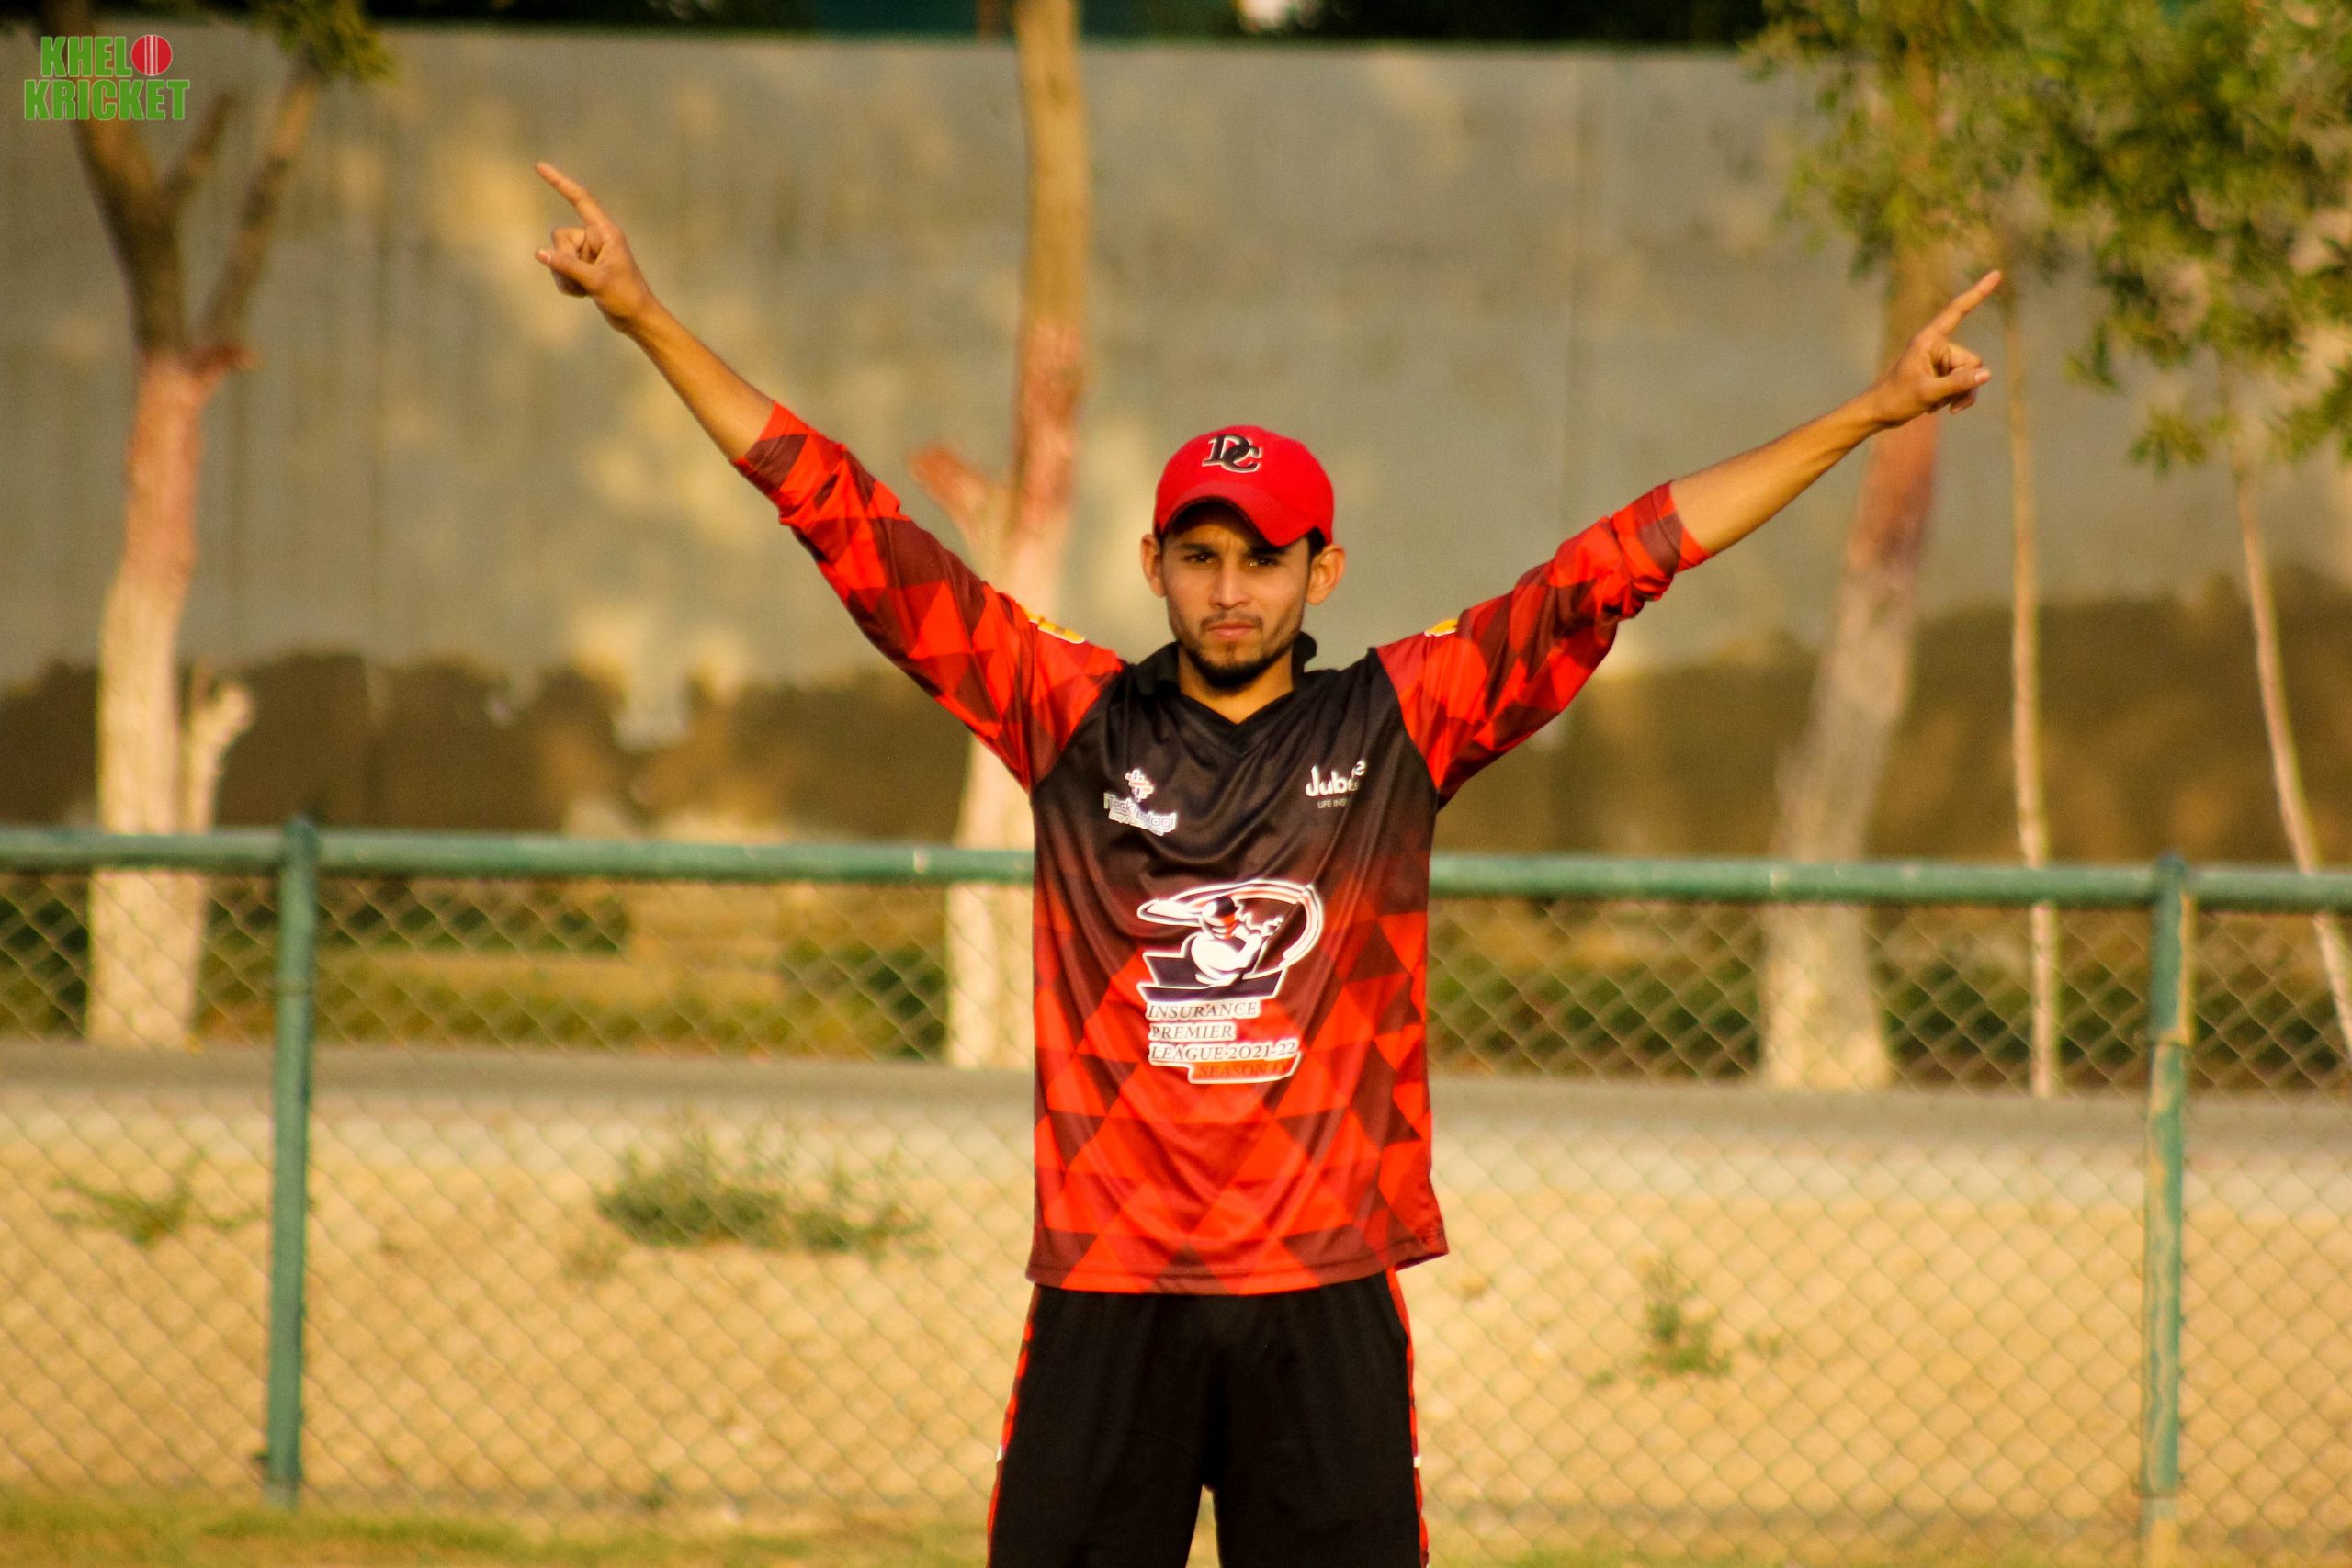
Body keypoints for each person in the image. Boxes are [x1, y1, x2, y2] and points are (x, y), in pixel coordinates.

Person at [533, 159, 1998, 1568]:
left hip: (1323, 1285)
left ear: (1321, 571)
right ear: (1156, 566)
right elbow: (849, 523)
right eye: (1202, 556)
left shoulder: (1399, 720)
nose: (1230, 589)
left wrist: (1871, 414)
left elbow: (1621, 559)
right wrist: (647, 317)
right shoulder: (1071, 717)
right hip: (1114, 1284)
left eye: (1264, 558)